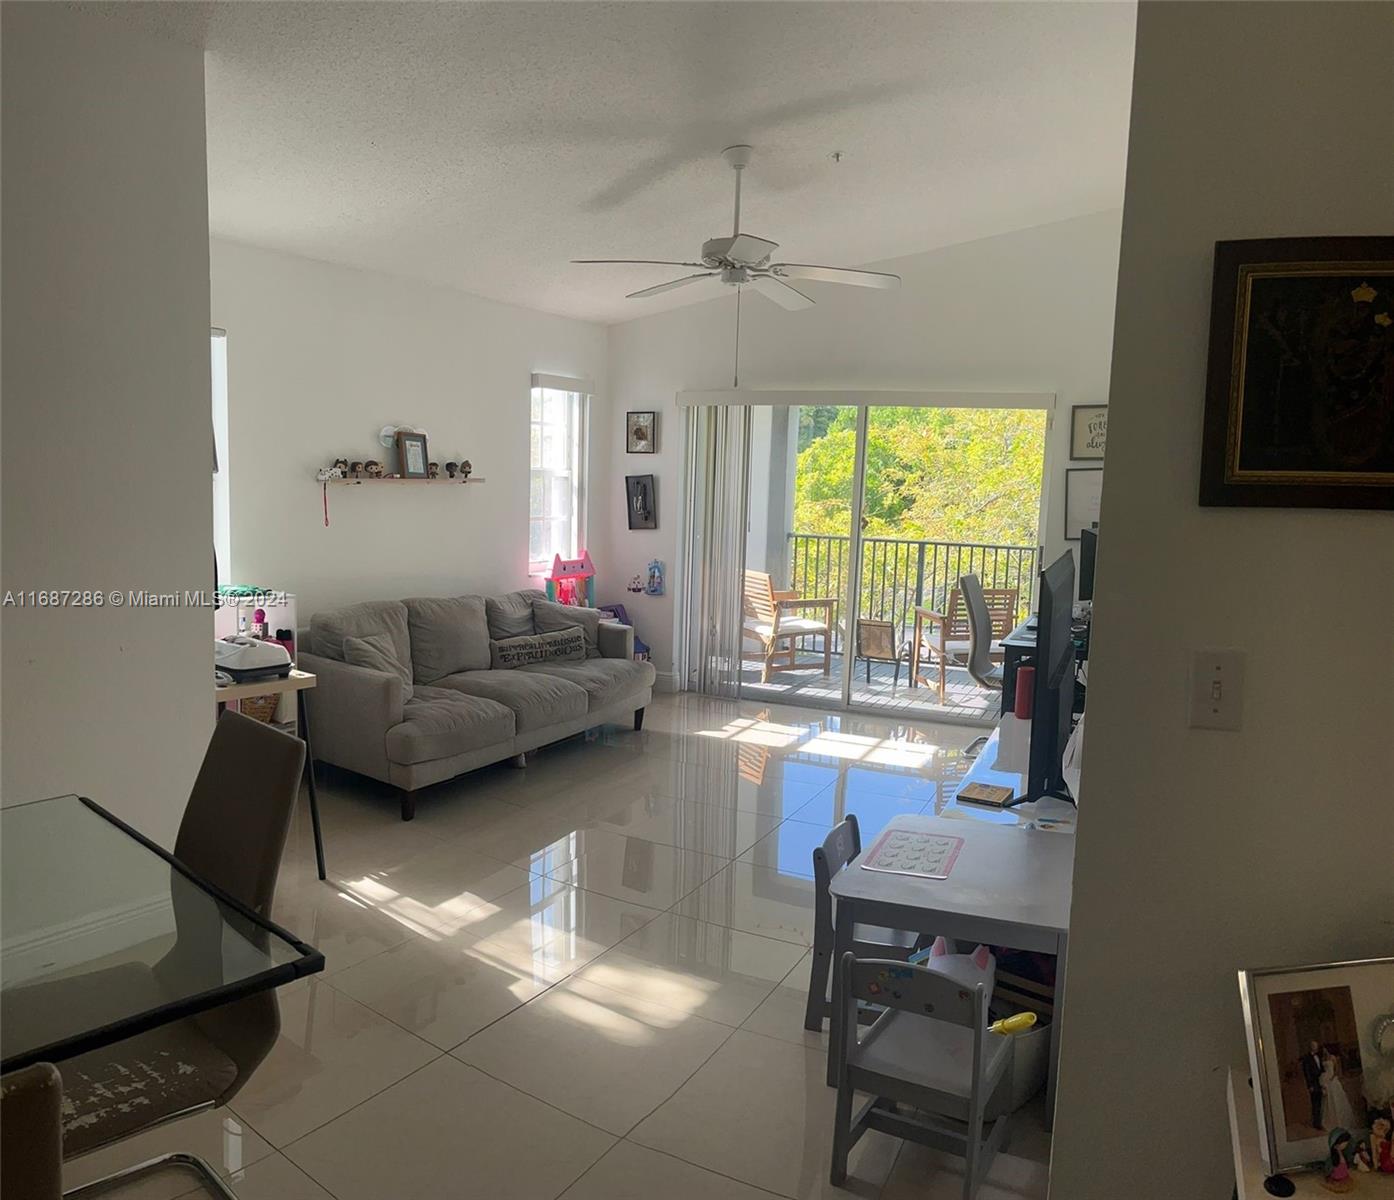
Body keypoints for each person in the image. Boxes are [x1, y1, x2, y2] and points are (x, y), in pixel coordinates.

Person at [1321, 1047, 1357, 1131]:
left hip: (1332, 1079)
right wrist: (1324, 1079)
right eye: (1323, 1051)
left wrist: (1332, 1077)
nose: (1324, 1052)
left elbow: (1336, 1069)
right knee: (1328, 1101)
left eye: (1325, 1050)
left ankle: (1340, 1120)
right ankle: (1331, 1121)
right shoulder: (1323, 1058)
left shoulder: (1333, 1057)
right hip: (1326, 1079)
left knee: (1337, 1099)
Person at [1301, 1040, 1326, 1130]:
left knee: (1321, 1103)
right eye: (1315, 1046)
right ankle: (1316, 1123)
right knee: (1315, 1103)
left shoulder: (1319, 1056)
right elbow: (1307, 1073)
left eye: (1317, 1046)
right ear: (1312, 1047)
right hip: (1313, 1083)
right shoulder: (1307, 1058)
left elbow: (1321, 1069)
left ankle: (1320, 1121)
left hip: (1320, 1082)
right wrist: (1310, 1085)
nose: (1317, 1048)